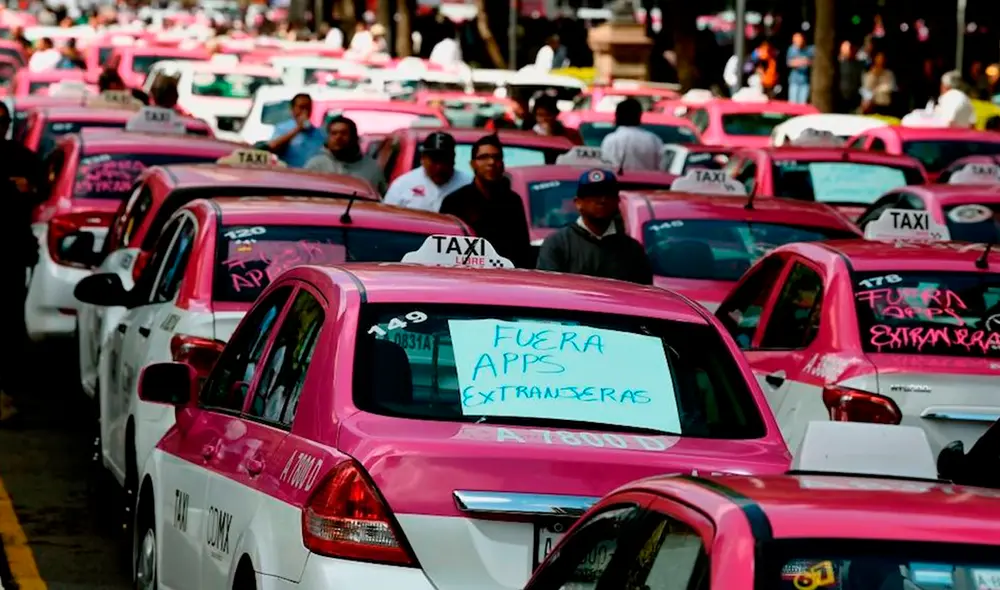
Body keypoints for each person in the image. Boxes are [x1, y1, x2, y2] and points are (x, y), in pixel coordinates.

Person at [0, 101, 47, 426]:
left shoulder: (23, 159)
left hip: (10, 255)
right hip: (12, 255)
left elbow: (41, 193)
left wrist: (26, 189)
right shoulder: (22, 159)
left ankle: (8, 392)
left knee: (9, 324)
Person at [536, 168, 652, 285]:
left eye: (608, 195)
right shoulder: (558, 244)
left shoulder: (632, 251)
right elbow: (548, 292)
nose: (602, 200)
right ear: (578, 202)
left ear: (617, 201)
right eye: (593, 195)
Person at [439, 135, 533, 268]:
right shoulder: (454, 201)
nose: (491, 162)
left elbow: (522, 251)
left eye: (496, 157)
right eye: (484, 157)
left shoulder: (512, 202)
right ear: (473, 164)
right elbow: (443, 250)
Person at [383, 131, 472, 212]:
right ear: (423, 159)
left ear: (453, 159)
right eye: (434, 161)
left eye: (445, 160)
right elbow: (388, 219)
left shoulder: (468, 184)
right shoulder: (403, 185)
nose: (439, 167)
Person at [305, 115, 387, 195]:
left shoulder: (371, 168)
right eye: (334, 133)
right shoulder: (316, 166)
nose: (338, 137)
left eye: (343, 133)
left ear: (354, 137)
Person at [600, 98, 663, 172]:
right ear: (639, 115)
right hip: (648, 182)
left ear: (617, 115)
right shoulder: (653, 140)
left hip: (617, 182)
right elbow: (660, 166)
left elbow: (605, 164)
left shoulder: (610, 140)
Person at [267, 93, 326, 168]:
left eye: (308, 108)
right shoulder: (282, 128)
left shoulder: (318, 132)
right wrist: (298, 129)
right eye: (301, 107)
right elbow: (272, 147)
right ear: (293, 109)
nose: (305, 112)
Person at [785, 32, 814, 104]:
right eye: (795, 41)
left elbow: (814, 61)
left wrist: (807, 61)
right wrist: (801, 61)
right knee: (793, 104)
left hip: (805, 81)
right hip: (794, 81)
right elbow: (789, 62)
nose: (797, 43)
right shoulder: (792, 49)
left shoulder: (810, 49)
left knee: (802, 104)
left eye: (798, 40)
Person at [836, 41, 864, 113]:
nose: (849, 50)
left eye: (851, 48)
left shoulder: (859, 64)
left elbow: (860, 80)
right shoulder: (837, 64)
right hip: (840, 97)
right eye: (846, 48)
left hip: (854, 97)